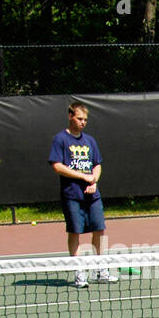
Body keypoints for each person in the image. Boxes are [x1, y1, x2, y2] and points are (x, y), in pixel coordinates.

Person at [48, 101, 115, 288]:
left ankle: (101, 269)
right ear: (70, 116)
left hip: (92, 195)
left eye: (85, 119)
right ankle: (79, 272)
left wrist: (93, 180)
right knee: (75, 232)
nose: (83, 122)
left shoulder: (90, 141)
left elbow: (97, 164)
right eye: (79, 118)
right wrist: (81, 176)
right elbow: (57, 165)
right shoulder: (60, 139)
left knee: (99, 230)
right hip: (72, 195)